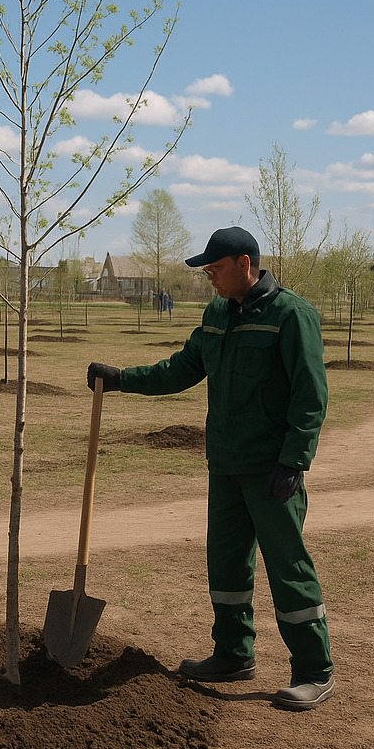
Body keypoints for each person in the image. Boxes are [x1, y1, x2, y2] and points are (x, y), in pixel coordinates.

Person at [86, 226, 334, 711]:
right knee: (225, 564)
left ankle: (313, 669)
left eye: (215, 270)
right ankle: (233, 653)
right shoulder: (217, 314)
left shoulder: (292, 315)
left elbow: (311, 395)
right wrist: (121, 380)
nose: (210, 280)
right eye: (206, 273)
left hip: (271, 470)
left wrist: (294, 460)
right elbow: (183, 368)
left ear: (245, 264)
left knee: (287, 567)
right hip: (224, 464)